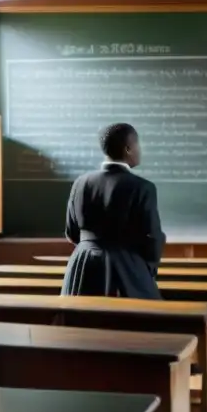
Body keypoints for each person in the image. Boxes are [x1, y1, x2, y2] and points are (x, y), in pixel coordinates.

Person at [61, 123, 165, 299]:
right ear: (128, 149)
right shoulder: (142, 187)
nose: (140, 150)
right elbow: (152, 238)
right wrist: (145, 270)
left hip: (83, 267)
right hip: (126, 267)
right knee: (143, 319)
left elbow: (71, 232)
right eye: (138, 145)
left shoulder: (80, 182)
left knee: (80, 320)